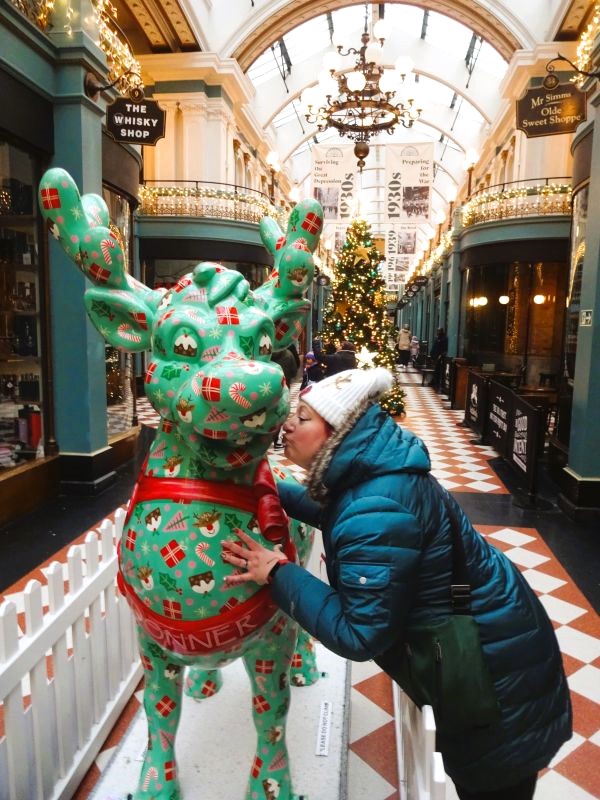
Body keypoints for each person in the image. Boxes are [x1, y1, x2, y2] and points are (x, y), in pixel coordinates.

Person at [222, 367, 572, 800]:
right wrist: (267, 488)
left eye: (305, 417)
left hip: (495, 680)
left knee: (494, 782)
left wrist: (277, 572)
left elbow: (359, 634)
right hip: (503, 640)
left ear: (339, 433)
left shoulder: (377, 504)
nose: (289, 424)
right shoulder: (374, 475)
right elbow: (340, 511)